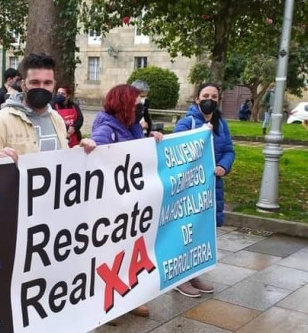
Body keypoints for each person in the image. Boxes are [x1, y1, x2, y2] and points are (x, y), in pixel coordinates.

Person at [0, 53, 97, 333]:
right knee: (15, 289)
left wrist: (81, 149)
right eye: (35, 83)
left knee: (49, 285)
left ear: (54, 85)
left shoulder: (57, 119)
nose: (41, 88)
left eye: (47, 83)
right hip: (16, 218)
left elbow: (60, 161)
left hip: (52, 222)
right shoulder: (2, 120)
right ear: (22, 84)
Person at [92, 84, 163, 316]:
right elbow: (97, 160)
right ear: (123, 102)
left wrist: (151, 139)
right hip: (114, 204)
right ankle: (108, 305)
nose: (139, 104)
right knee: (113, 255)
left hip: (130, 202)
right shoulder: (106, 128)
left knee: (130, 252)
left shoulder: (131, 126)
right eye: (136, 100)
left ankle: (129, 298)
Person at [173, 83, 234, 298]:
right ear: (197, 99)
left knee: (201, 232)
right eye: (206, 95)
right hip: (189, 189)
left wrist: (224, 166)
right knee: (186, 233)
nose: (210, 99)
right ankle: (180, 279)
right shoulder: (187, 122)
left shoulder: (221, 124)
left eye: (214, 96)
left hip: (211, 186)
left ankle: (194, 273)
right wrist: (199, 134)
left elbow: (228, 150)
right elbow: (175, 149)